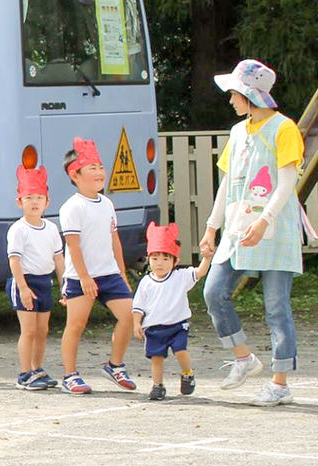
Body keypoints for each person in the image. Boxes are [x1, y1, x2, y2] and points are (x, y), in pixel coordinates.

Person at [199, 59, 308, 406]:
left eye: (234, 93)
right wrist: (211, 228)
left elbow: (288, 182)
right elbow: (227, 184)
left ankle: (280, 383)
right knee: (214, 292)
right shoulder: (236, 132)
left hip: (274, 228)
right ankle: (244, 357)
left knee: (277, 307)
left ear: (250, 94)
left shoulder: (284, 128)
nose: (230, 100)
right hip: (237, 227)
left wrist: (265, 222)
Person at [58, 137, 136, 395]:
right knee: (76, 325)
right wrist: (84, 278)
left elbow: (115, 240)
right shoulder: (71, 207)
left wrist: (122, 273)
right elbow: (73, 245)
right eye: (92, 168)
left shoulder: (108, 203)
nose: (100, 172)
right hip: (80, 277)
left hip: (109, 274)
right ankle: (70, 375)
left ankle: (115, 365)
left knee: (129, 316)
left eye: (101, 167)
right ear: (75, 174)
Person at [132, 222, 203, 401]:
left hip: (178, 325)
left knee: (180, 350)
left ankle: (187, 374)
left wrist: (207, 258)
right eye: (155, 259)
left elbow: (200, 272)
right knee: (156, 358)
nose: (160, 263)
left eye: (165, 259)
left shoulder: (181, 277)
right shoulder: (146, 283)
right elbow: (138, 306)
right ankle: (158, 386)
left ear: (175, 261)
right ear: (149, 260)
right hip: (154, 328)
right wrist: (136, 323)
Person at [7, 165, 63, 391]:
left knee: (42, 330)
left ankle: (37, 368)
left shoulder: (51, 228)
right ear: (19, 202)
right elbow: (14, 260)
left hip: (44, 281)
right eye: (29, 197)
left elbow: (58, 259)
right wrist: (22, 287)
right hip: (25, 281)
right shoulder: (18, 229)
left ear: (47, 202)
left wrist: (65, 284)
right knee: (28, 330)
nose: (34, 202)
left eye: (39, 197)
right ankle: (24, 373)